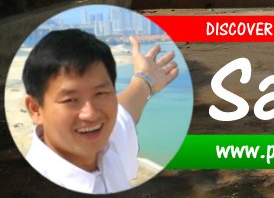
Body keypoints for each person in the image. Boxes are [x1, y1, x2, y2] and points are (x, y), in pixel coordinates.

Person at [21, 29, 179, 194]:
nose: (91, 114)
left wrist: (145, 79)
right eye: (70, 100)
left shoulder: (106, 143)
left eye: (100, 93)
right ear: (35, 109)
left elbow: (125, 111)